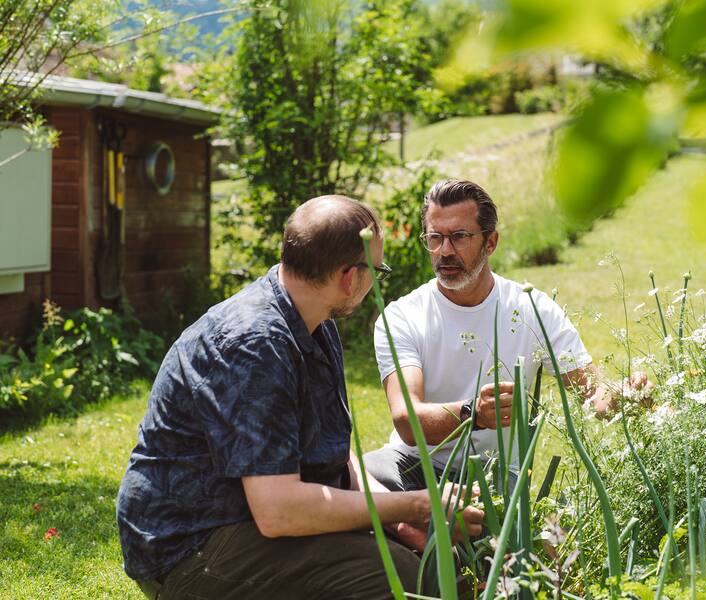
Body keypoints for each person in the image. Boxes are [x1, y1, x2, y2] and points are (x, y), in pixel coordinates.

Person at [116, 195, 483, 600]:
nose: (376, 282)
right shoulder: (253, 346)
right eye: (377, 271)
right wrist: (415, 505)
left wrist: (402, 522)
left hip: (248, 521)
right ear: (349, 277)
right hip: (189, 548)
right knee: (396, 576)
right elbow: (279, 512)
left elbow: (335, 459)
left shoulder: (314, 320)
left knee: (425, 559)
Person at [365, 180, 649, 491]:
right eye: (435, 238)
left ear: (491, 243)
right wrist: (474, 413)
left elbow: (592, 395)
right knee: (372, 473)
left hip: (492, 476)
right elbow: (407, 420)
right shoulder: (403, 315)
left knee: (489, 520)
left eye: (459, 237)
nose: (444, 251)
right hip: (413, 464)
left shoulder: (531, 308)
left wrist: (625, 395)